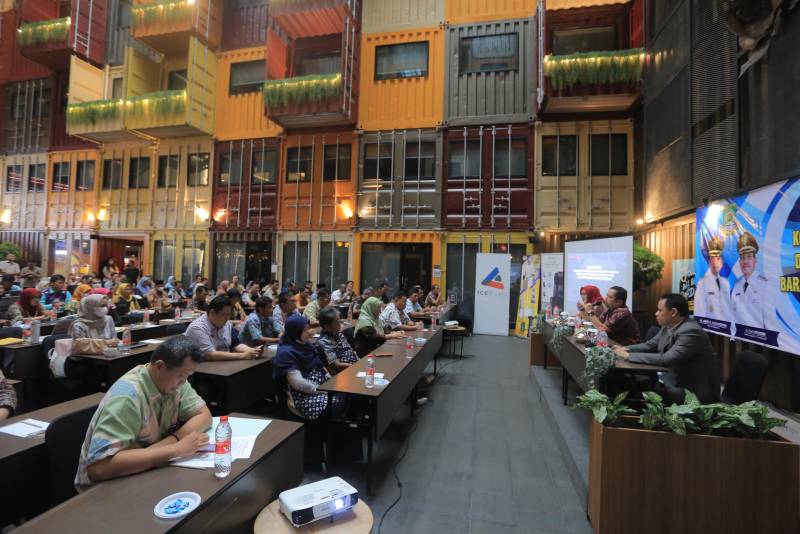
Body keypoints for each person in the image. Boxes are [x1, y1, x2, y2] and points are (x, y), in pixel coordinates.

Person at [74, 336, 212, 491]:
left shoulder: (174, 382)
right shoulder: (127, 397)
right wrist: (175, 449)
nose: (183, 381)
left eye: (187, 376)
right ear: (160, 366)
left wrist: (172, 441)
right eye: (181, 375)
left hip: (145, 471)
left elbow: (204, 415)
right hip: (104, 489)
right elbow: (98, 468)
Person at [614, 294, 720, 404]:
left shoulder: (690, 331)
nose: (656, 313)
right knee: (625, 387)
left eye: (660, 310)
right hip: (668, 379)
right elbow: (649, 345)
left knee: (631, 394)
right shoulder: (668, 326)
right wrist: (625, 349)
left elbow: (668, 359)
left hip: (689, 392)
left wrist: (629, 356)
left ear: (673, 312)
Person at [272, 315, 338, 420]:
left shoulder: (305, 344)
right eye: (305, 330)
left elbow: (321, 367)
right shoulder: (285, 353)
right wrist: (324, 390)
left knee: (349, 395)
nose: (310, 332)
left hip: (321, 386)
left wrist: (332, 384)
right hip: (304, 396)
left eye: (309, 328)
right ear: (296, 332)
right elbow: (298, 383)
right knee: (337, 402)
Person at [183, 295, 260, 361]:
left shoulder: (226, 323)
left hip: (224, 365)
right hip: (202, 369)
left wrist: (252, 351)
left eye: (229, 314)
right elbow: (211, 355)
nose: (227, 318)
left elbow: (236, 344)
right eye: (224, 315)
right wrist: (243, 355)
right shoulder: (197, 328)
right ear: (212, 312)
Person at [731, 232, 778, 334]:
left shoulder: (765, 286)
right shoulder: (736, 286)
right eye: (742, 257)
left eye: (749, 256)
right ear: (739, 262)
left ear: (755, 260)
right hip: (739, 338)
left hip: (757, 340)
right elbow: (733, 316)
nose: (745, 261)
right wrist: (732, 337)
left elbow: (770, 322)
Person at [694, 235, 732, 322]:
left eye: (718, 259)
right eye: (712, 259)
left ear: (722, 262)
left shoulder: (726, 282)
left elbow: (728, 309)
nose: (715, 263)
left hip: (725, 326)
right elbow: (699, 311)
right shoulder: (702, 283)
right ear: (709, 261)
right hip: (709, 327)